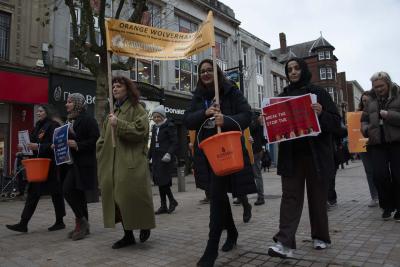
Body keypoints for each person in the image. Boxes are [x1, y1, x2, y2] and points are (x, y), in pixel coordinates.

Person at [183, 59, 257, 267]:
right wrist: (203, 113)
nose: (205, 74)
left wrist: (225, 120)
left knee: (217, 196)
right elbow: (188, 120)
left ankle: (211, 248)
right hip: (207, 155)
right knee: (219, 196)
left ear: (217, 73)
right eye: (202, 71)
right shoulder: (198, 96)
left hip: (228, 151)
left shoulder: (231, 91)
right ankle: (231, 232)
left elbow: (247, 115)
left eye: (209, 70)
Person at [268, 58, 341, 258]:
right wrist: (266, 122)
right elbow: (275, 127)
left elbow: (336, 124)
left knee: (317, 198)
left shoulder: (319, 94)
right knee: (290, 198)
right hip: (291, 157)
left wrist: (322, 113)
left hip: (316, 156)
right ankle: (284, 243)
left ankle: (321, 237)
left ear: (304, 70)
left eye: (296, 68)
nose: (292, 72)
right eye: (289, 69)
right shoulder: (282, 97)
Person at [97, 76, 155, 249]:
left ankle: (144, 224)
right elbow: (103, 137)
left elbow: (140, 131)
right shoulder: (112, 112)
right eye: (113, 86)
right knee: (117, 199)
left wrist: (119, 124)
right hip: (112, 163)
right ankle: (128, 234)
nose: (115, 89)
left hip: (132, 162)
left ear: (127, 89)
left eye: (119, 86)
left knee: (134, 196)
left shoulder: (137, 109)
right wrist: (100, 151)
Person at [6, 105, 66, 233]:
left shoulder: (53, 125)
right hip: (39, 166)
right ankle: (23, 223)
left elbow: (54, 144)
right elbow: (32, 145)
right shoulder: (38, 125)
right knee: (33, 192)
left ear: (47, 112)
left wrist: (37, 146)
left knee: (56, 193)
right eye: (37, 111)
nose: (38, 113)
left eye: (41, 111)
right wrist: (24, 149)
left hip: (51, 166)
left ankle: (60, 221)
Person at [59, 93, 99, 241]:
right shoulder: (69, 121)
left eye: (69, 102)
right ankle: (82, 226)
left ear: (77, 104)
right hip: (72, 163)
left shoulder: (89, 120)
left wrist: (77, 144)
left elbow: (95, 140)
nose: (66, 104)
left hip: (83, 164)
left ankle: (82, 222)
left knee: (67, 190)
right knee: (77, 194)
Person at [361, 72, 400, 221]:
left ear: (388, 83)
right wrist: (366, 130)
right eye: (375, 87)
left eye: (381, 86)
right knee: (379, 175)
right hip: (377, 143)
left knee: (398, 176)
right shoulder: (370, 99)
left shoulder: (398, 95)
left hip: (397, 142)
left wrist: (388, 115)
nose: (378, 89)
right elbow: (363, 119)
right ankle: (387, 206)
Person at [148, 105, 179, 214]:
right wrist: (148, 157)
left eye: (158, 116)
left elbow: (174, 142)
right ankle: (164, 205)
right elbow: (152, 144)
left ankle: (172, 200)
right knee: (159, 181)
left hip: (165, 158)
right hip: (156, 158)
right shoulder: (155, 127)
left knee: (163, 181)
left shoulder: (169, 126)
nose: (156, 119)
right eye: (154, 117)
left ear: (163, 116)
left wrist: (169, 153)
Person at [358, 91, 379, 207]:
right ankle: (374, 197)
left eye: (367, 100)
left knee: (380, 170)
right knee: (369, 171)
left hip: (375, 144)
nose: (365, 102)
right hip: (362, 146)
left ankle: (383, 194)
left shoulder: (376, 112)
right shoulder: (356, 114)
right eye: (363, 100)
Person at [249, 112, 266, 205]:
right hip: (256, 149)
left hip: (254, 150)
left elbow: (249, 130)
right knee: (254, 174)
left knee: (256, 174)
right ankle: (241, 197)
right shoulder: (258, 119)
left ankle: (261, 197)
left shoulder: (253, 119)